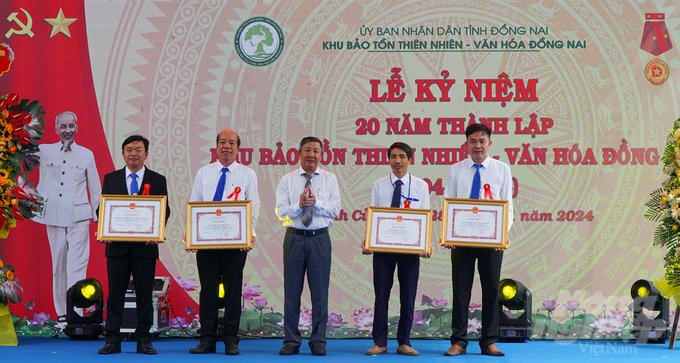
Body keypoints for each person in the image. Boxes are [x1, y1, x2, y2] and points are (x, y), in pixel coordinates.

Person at [443, 123, 513, 357]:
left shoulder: (502, 169)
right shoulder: (456, 169)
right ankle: (459, 342)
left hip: (492, 240)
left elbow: (508, 206)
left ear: (489, 144)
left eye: (482, 141)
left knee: (491, 289)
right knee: (461, 289)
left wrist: (502, 234)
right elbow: (449, 203)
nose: (477, 145)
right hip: (461, 240)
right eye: (472, 141)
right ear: (466, 144)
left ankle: (489, 341)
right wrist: (449, 233)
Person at [188, 129, 260, 355]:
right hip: (207, 244)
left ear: (238, 148)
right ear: (216, 147)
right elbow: (194, 204)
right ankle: (207, 339)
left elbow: (254, 208)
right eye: (222, 142)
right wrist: (194, 235)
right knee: (208, 291)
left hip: (235, 244)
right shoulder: (204, 173)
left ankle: (231, 339)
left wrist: (248, 235)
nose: (226, 146)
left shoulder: (247, 174)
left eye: (231, 143)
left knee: (232, 291)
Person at [97, 135, 170, 355]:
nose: (133, 154)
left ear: (146, 154)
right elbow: (103, 209)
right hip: (117, 248)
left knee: (145, 295)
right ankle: (112, 340)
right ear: (123, 154)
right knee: (115, 294)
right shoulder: (111, 178)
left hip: (145, 248)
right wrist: (104, 229)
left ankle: (144, 340)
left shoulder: (157, 180)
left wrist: (156, 231)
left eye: (138, 150)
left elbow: (164, 210)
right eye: (129, 150)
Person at [361, 142, 432, 357]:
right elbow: (372, 216)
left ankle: (404, 342)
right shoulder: (379, 185)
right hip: (383, 249)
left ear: (409, 159)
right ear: (388, 160)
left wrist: (426, 243)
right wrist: (367, 240)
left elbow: (426, 215)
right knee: (381, 295)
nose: (397, 161)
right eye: (393, 157)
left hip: (410, 250)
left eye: (402, 156)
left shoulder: (420, 186)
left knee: (408, 295)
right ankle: (380, 342)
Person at [275, 136, 341, 356]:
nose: (311, 154)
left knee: (320, 293)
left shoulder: (330, 179)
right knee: (292, 292)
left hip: (320, 238)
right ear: (299, 153)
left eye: (316, 151)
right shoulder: (287, 179)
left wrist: (316, 203)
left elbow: (335, 209)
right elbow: (280, 211)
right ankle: (291, 341)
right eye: (307, 150)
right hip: (294, 238)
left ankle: (318, 341)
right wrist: (299, 206)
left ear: (321, 155)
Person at [33, 111, 101, 320]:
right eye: (63, 126)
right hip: (52, 215)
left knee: (78, 265)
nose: (67, 130)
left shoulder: (86, 154)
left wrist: (99, 221)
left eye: (71, 126)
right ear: (56, 129)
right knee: (58, 265)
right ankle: (62, 314)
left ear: (77, 127)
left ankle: (77, 311)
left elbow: (95, 189)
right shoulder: (43, 151)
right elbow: (19, 155)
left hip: (78, 217)